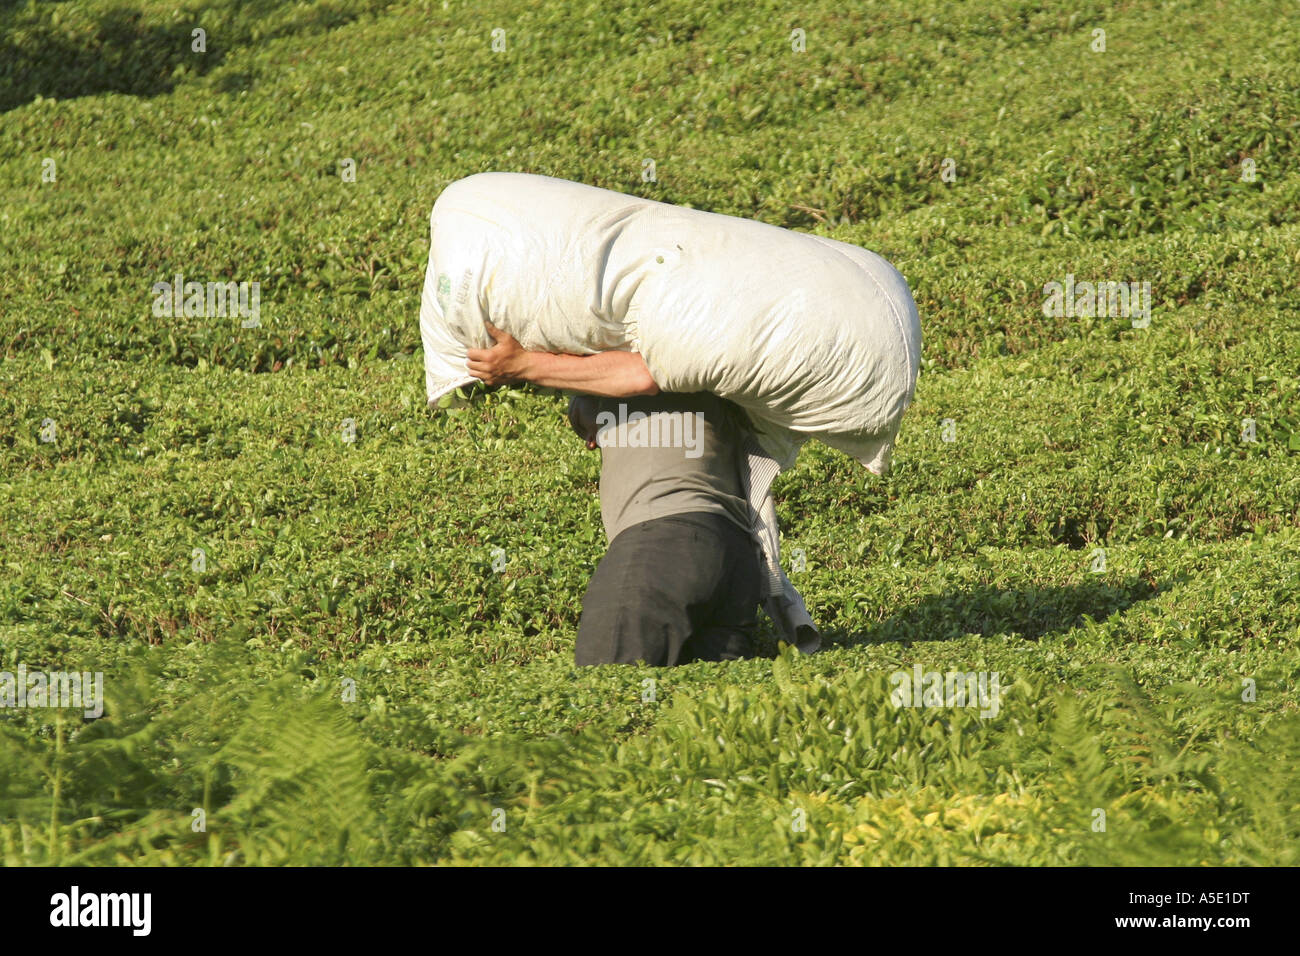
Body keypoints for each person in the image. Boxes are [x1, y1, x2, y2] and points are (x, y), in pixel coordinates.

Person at [466, 322, 821, 666]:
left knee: (606, 693)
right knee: (704, 711)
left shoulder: (660, 357)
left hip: (665, 547)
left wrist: (522, 365)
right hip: (734, 561)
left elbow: (642, 374)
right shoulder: (715, 371)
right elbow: (585, 406)